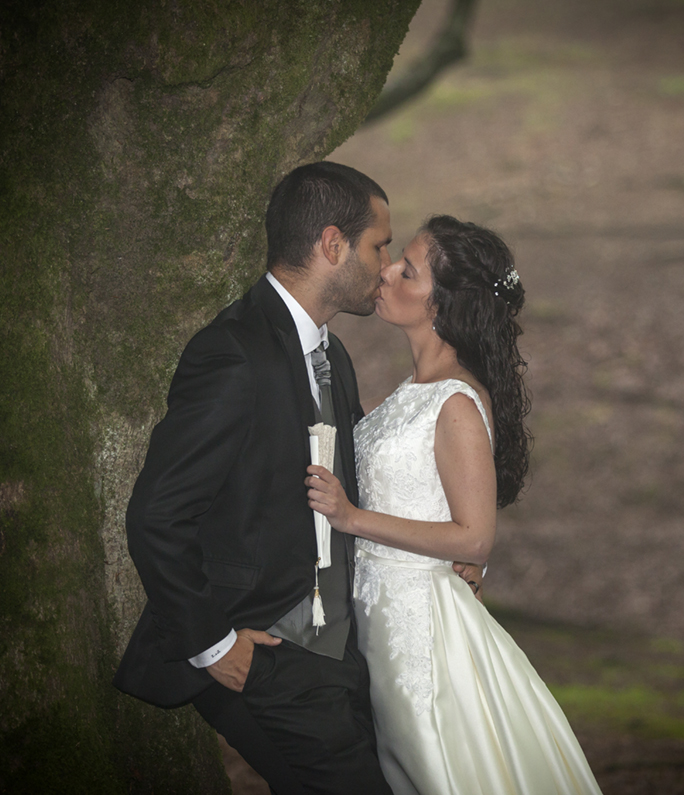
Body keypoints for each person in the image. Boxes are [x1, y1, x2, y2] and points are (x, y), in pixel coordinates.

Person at [113, 163, 481, 795]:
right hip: (265, 652)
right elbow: (157, 516)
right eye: (378, 246)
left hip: (345, 656)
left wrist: (453, 546)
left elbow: (365, 485)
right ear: (332, 245)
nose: (385, 263)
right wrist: (215, 646)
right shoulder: (233, 352)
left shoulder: (331, 355)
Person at [306, 215, 603, 794]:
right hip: (379, 616)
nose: (386, 271)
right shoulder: (411, 391)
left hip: (420, 627)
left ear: (439, 305)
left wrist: (350, 516)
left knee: (431, 763)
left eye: (407, 270)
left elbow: (474, 537)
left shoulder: (457, 403)